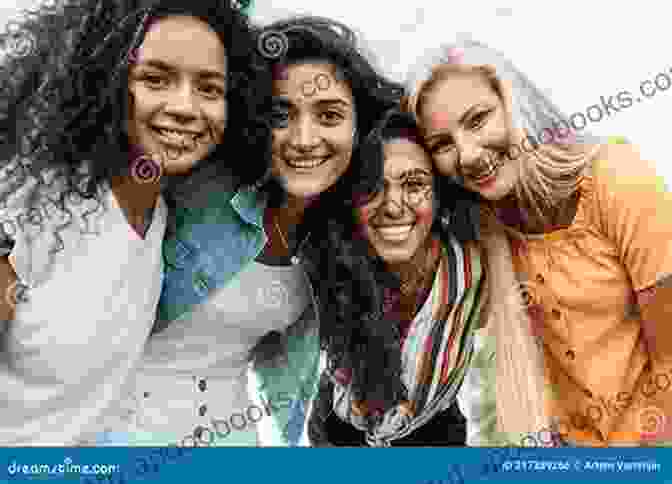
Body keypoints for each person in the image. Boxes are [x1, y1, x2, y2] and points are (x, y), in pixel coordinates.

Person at [96, 15, 405, 446]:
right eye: (282, 114)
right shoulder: (196, 188)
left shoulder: (336, 242)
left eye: (329, 115)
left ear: (358, 131)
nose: (305, 138)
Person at [0, 0, 270, 445]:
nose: (185, 107)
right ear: (106, 82)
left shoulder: (164, 213)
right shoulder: (30, 208)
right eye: (155, 79)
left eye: (209, 88)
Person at [405, 38, 672, 446]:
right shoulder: (481, 230)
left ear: (514, 104)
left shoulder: (614, 177)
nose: (469, 154)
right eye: (442, 144)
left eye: (478, 120)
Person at [305, 108, 486, 446]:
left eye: (414, 184)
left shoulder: (473, 262)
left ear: (439, 193)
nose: (392, 205)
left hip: (438, 435)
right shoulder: (332, 264)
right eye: (372, 188)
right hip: (341, 435)